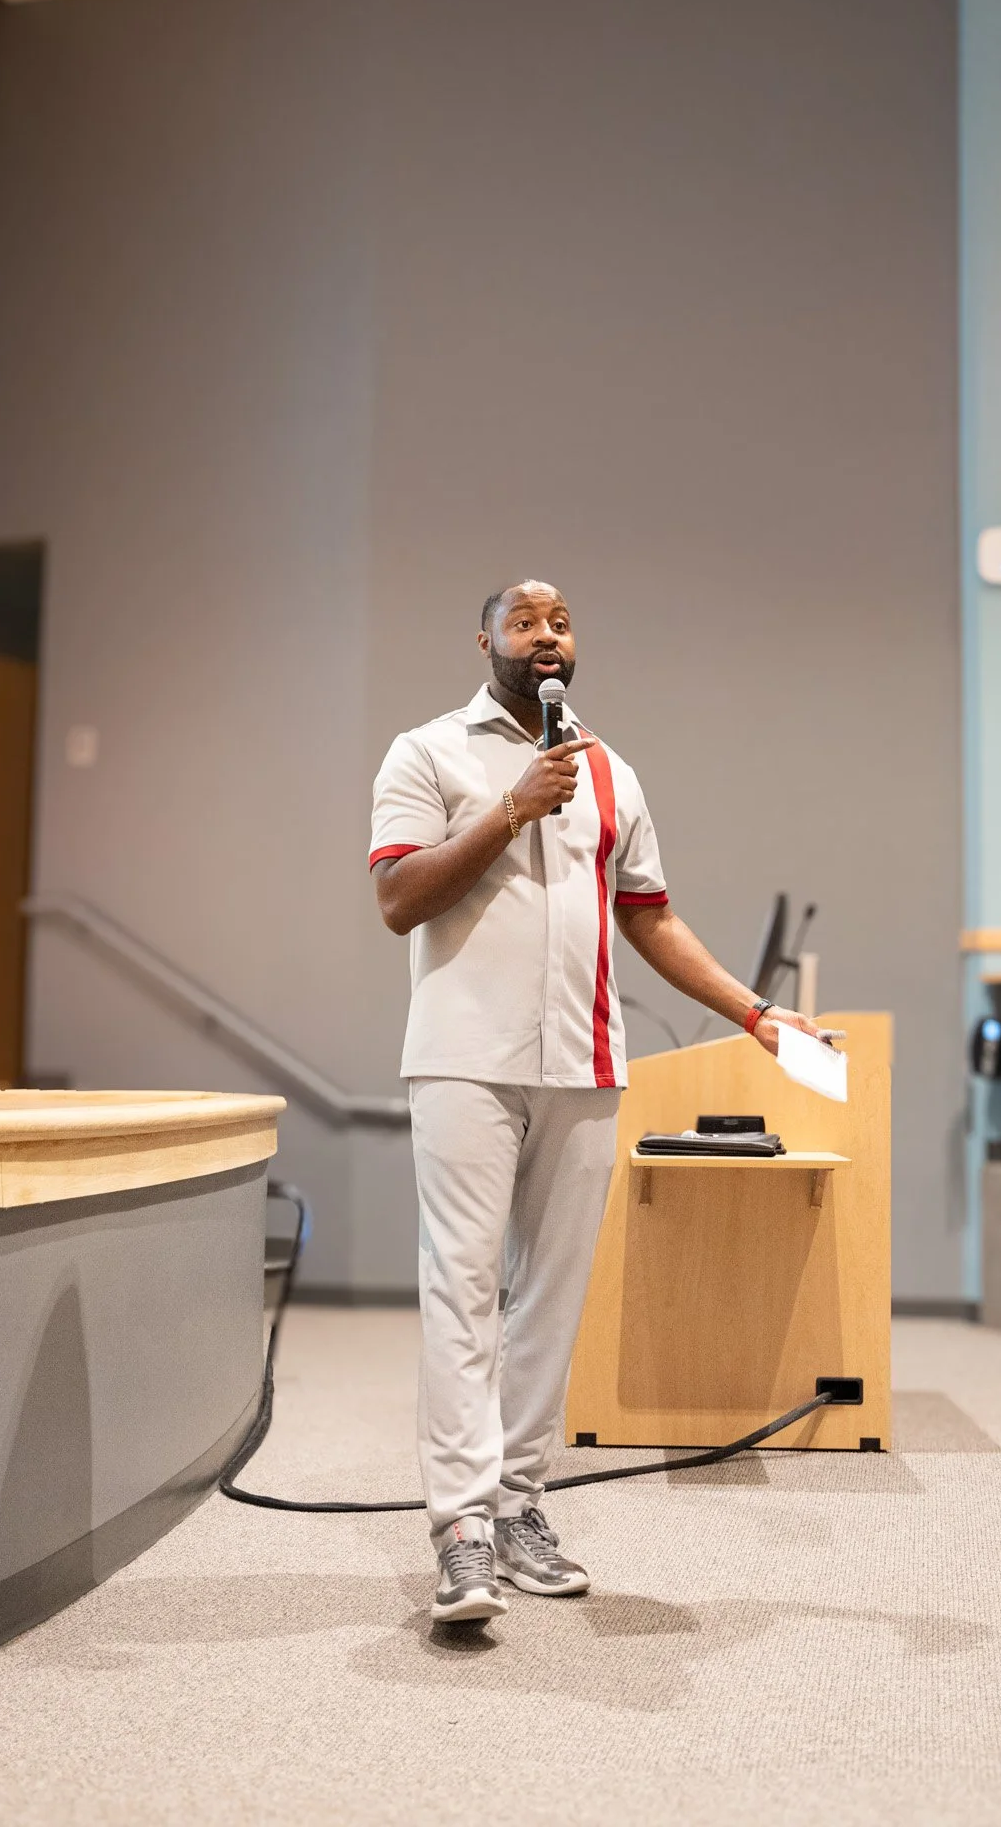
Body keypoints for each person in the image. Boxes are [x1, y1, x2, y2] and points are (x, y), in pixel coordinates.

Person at [370, 580, 826, 1624]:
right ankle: (460, 1529)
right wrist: (511, 808)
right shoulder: (425, 751)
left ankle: (519, 1504)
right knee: (463, 1288)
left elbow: (651, 918)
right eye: (525, 621)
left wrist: (757, 1014)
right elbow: (398, 898)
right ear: (484, 639)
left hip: (584, 1062)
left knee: (552, 1297)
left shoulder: (611, 769)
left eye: (562, 623)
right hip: (464, 1060)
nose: (547, 635)